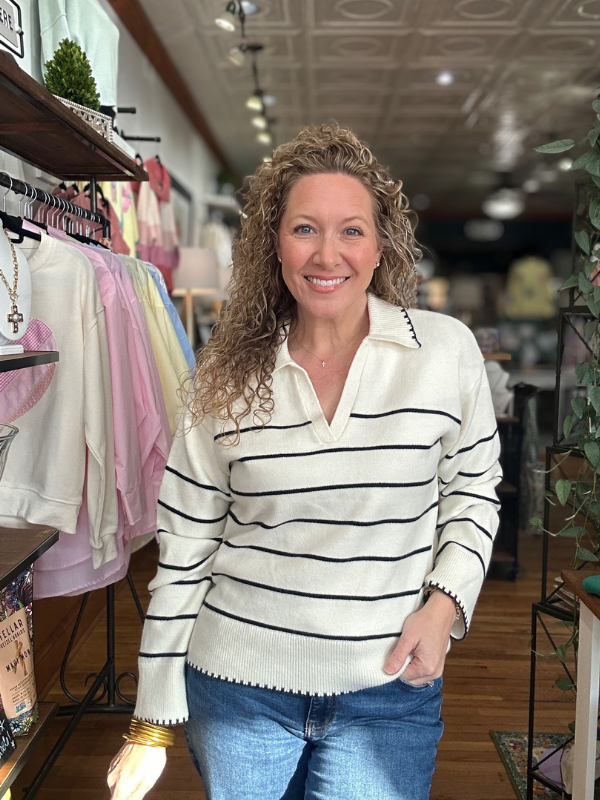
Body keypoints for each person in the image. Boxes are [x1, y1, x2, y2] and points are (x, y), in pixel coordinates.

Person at [107, 123, 502, 800]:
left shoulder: (445, 353)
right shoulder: (224, 377)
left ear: (381, 246)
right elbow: (186, 548)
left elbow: (473, 493)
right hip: (237, 694)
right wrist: (151, 721)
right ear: (275, 245)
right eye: (304, 229)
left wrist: (442, 610)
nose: (328, 254)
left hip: (388, 687)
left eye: (351, 230)